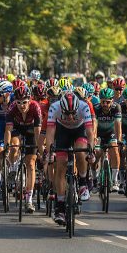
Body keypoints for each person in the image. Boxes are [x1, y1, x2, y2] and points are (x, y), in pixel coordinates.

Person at [46, 92, 94, 225]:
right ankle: (60, 207)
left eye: (73, 113)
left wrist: (91, 151)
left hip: (80, 130)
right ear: (61, 108)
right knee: (60, 166)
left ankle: (83, 182)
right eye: (67, 113)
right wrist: (50, 152)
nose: (71, 116)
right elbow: (50, 134)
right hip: (63, 131)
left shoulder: (84, 107)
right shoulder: (54, 108)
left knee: (81, 152)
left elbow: (90, 132)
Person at [4, 85, 42, 213]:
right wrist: (7, 146)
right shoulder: (12, 108)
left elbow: (37, 132)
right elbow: (8, 131)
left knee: (31, 164)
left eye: (24, 102)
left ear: (30, 100)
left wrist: (39, 148)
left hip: (31, 130)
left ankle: (29, 200)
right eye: (18, 102)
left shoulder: (35, 107)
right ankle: (13, 169)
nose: (21, 105)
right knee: (14, 147)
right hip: (17, 128)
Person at [92, 88, 122, 192]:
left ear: (112, 101)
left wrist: (119, 140)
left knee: (114, 149)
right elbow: (94, 125)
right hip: (99, 133)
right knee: (96, 152)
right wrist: (94, 139)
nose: (105, 104)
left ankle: (114, 180)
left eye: (108, 102)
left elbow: (118, 125)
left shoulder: (116, 107)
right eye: (103, 101)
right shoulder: (96, 108)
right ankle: (94, 178)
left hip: (111, 133)